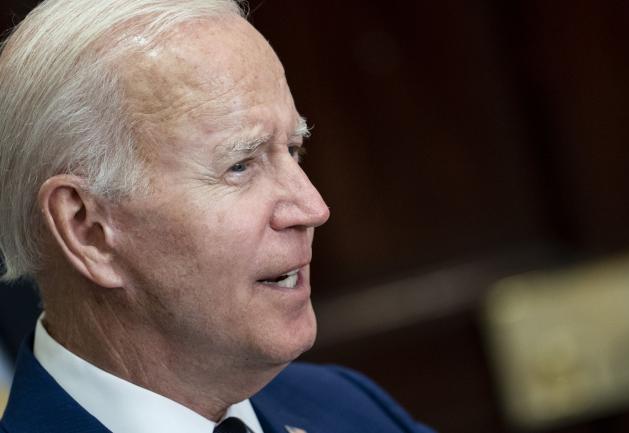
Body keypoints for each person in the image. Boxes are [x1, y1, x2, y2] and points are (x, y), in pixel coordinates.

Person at [0, 1, 436, 432]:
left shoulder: (345, 405)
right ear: (87, 229)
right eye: (241, 165)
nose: (313, 209)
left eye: (293, 150)